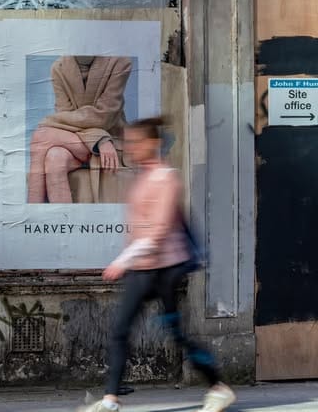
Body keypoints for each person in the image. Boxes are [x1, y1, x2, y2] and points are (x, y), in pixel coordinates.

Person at [79, 116, 235, 412]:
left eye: (135, 143)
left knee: (176, 335)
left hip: (165, 268)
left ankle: (219, 387)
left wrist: (122, 261)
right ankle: (110, 400)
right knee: (120, 328)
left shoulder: (166, 178)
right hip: (143, 267)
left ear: (152, 144)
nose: (130, 148)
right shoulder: (143, 176)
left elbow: (159, 229)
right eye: (128, 143)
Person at [28, 55, 131, 203]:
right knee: (54, 157)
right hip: (82, 142)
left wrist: (51, 121)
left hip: (112, 142)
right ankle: (62, 221)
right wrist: (98, 139)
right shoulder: (59, 67)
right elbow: (65, 117)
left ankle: (32, 211)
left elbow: (104, 116)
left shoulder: (120, 62)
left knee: (40, 136)